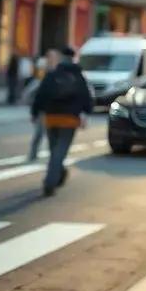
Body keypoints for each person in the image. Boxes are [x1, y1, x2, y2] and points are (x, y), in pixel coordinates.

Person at [31, 47, 93, 196]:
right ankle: (50, 182)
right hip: (70, 119)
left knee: (54, 150)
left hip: (51, 117)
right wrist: (86, 113)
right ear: (74, 58)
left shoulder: (52, 75)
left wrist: (35, 112)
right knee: (60, 151)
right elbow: (86, 97)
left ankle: (57, 174)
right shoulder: (79, 77)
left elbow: (41, 94)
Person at [27, 50, 59, 161]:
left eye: (53, 57)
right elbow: (39, 94)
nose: (51, 60)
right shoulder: (44, 71)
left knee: (52, 135)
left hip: (54, 110)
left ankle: (54, 157)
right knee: (39, 133)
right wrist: (34, 112)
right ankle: (32, 155)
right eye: (49, 57)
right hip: (43, 110)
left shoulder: (59, 72)